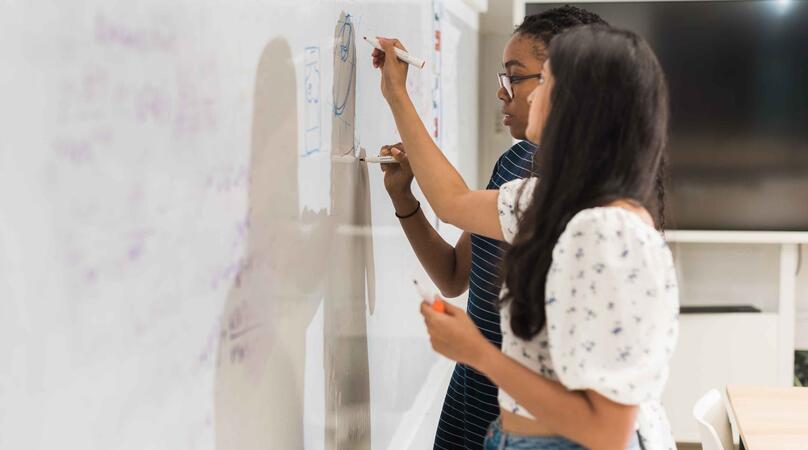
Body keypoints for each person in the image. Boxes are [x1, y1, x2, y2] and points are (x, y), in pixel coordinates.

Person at [372, 25, 678, 450]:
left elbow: (608, 431)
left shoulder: (606, 232)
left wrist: (477, 353)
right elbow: (453, 222)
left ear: (580, 106)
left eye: (544, 81)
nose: (529, 95)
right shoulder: (556, 200)